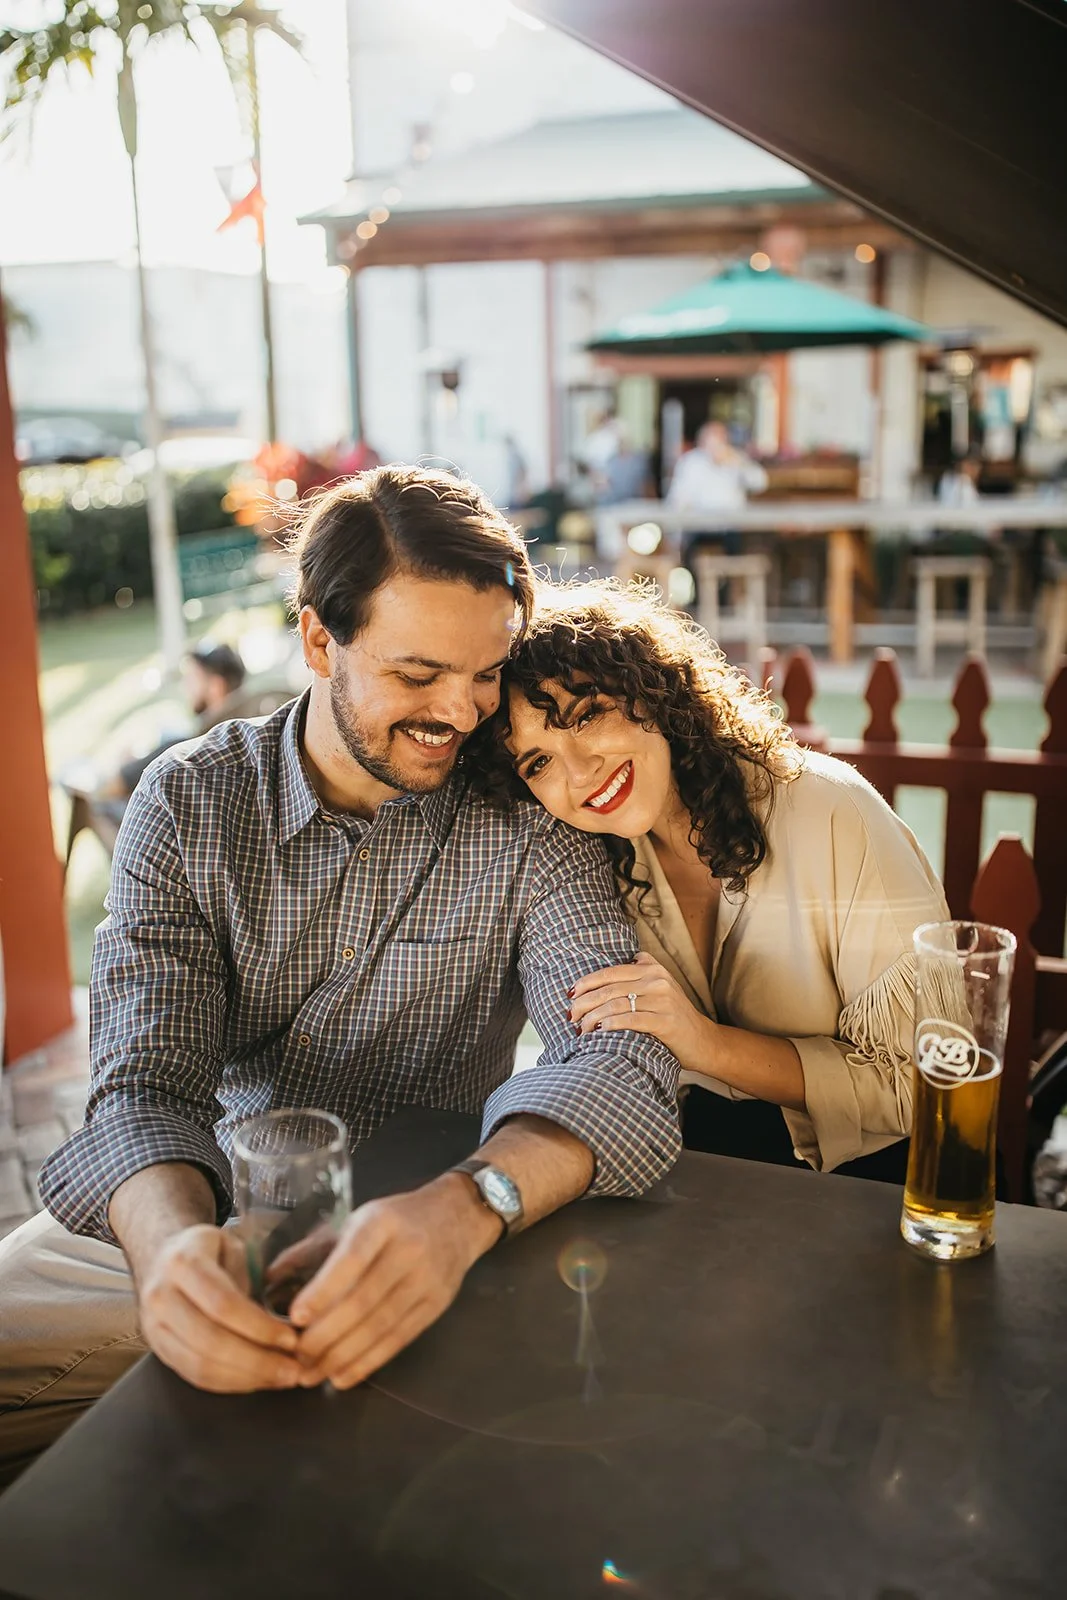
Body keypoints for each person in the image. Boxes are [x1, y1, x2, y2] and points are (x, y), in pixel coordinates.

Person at [0, 467, 681, 1488]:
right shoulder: (187, 806)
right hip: (210, 1202)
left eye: (485, 671)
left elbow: (622, 1064)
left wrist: (469, 1204)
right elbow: (141, 1088)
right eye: (418, 675)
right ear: (319, 640)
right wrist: (172, 1251)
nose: (462, 713)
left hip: (438, 1223)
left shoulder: (530, 812)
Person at [477, 579, 949, 1179]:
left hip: (887, 1181)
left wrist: (704, 1043)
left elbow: (925, 1082)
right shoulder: (582, 861)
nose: (578, 772)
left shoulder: (833, 812)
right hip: (709, 1175)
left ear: (653, 690)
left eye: (588, 715)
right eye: (537, 762)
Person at [668, 420, 769, 565]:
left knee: (736, 552)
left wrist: (738, 463)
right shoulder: (691, 462)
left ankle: (727, 585)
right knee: (691, 557)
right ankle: (698, 585)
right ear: (702, 441)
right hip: (699, 526)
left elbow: (760, 483)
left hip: (730, 527)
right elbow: (678, 497)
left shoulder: (736, 458)